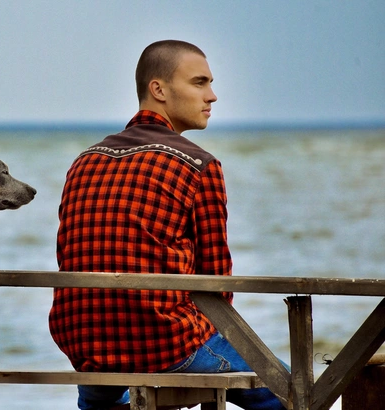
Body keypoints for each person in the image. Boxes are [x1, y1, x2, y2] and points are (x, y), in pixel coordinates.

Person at [48, 40, 287, 410]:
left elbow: (71, 253)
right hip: (163, 341)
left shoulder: (85, 160)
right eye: (199, 83)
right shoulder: (197, 164)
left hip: (84, 344)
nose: (213, 96)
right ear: (158, 90)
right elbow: (216, 284)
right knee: (292, 392)